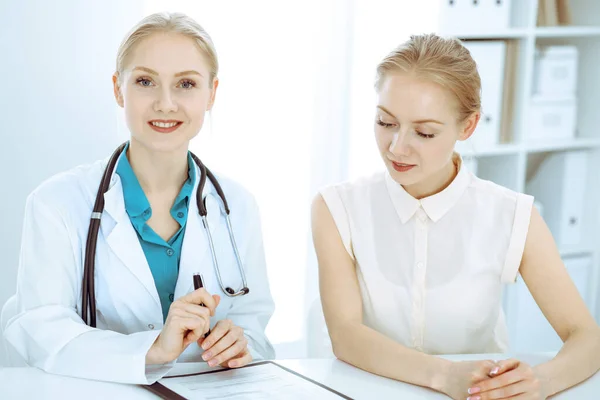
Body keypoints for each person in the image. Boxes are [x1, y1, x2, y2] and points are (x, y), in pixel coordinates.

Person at [311, 33, 600, 399]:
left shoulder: (512, 215)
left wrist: (541, 382)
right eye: (385, 123)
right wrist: (444, 376)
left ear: (468, 126)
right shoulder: (336, 207)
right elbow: (346, 335)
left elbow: (587, 337)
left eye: (425, 132)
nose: (397, 147)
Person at [4, 12, 274, 384]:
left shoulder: (237, 207)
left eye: (186, 84)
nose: (166, 103)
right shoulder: (57, 203)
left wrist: (241, 345)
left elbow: (254, 327)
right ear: (118, 89)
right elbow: (39, 330)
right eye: (146, 81)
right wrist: (151, 351)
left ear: (212, 93)